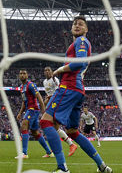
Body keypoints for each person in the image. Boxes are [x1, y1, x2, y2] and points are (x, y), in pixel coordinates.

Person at [40, 16, 112, 173]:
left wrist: (60, 70)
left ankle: (62, 168)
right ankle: (102, 166)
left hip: (68, 87)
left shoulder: (81, 42)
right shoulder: (82, 44)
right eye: (74, 24)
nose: (77, 26)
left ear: (86, 29)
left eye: (81, 24)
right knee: (73, 131)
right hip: (78, 91)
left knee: (46, 122)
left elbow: (80, 62)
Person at [14, 69, 53, 159]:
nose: (22, 75)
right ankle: (49, 152)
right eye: (21, 73)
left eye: (24, 73)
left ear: (27, 75)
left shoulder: (30, 85)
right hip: (29, 109)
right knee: (35, 132)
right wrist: (20, 112)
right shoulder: (21, 87)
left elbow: (39, 97)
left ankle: (24, 153)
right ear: (19, 76)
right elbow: (24, 101)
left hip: (33, 109)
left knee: (24, 125)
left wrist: (43, 112)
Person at [43, 67, 78, 155]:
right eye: (45, 71)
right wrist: (47, 100)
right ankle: (69, 145)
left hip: (57, 102)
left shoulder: (55, 80)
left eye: (49, 70)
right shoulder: (44, 82)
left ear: (52, 72)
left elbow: (60, 90)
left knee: (50, 125)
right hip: (51, 103)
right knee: (52, 126)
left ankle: (67, 146)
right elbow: (48, 94)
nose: (47, 72)